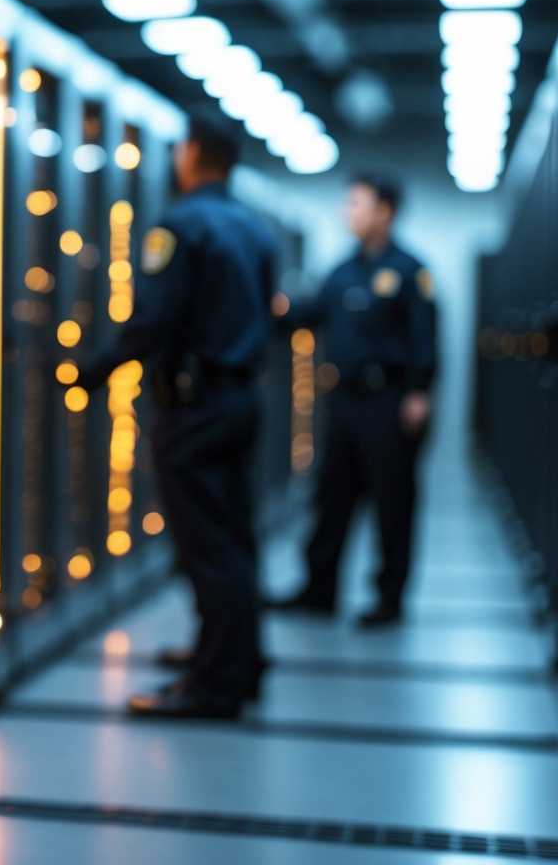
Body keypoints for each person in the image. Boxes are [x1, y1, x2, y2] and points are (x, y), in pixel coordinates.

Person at [76, 114, 278, 719]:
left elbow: (154, 320)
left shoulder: (182, 225)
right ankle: (238, 665)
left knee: (205, 548)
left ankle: (214, 687)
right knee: (234, 541)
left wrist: (95, 368)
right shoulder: (255, 229)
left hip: (194, 407)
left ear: (192, 153)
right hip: (240, 399)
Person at [268, 174, 436, 627]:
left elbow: (425, 338)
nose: (348, 211)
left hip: (390, 400)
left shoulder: (409, 271)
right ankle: (318, 589)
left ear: (385, 212)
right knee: (332, 496)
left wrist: (420, 390)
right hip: (344, 401)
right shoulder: (342, 271)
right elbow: (311, 313)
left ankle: (389, 597)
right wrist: (276, 307)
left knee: (392, 502)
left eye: (357, 203)